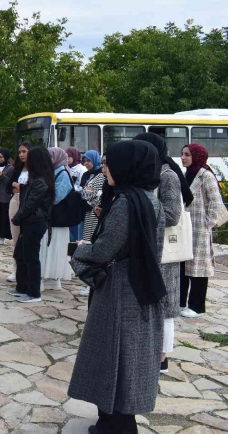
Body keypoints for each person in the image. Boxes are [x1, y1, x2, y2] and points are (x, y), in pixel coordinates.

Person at [68, 140, 166, 434]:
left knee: (115, 360)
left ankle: (116, 427)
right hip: (141, 288)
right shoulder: (148, 198)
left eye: (112, 162)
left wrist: (79, 251)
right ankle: (111, 422)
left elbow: (104, 250)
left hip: (120, 292)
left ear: (129, 167)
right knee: (127, 362)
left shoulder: (126, 202)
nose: (106, 167)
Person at [134, 132, 193, 372]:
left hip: (164, 252)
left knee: (165, 306)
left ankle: (162, 358)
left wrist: (140, 208)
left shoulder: (167, 175)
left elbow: (171, 215)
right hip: (149, 247)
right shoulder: (147, 174)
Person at [181, 143, 224, 319]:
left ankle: (196, 306)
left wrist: (208, 224)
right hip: (186, 227)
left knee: (199, 269)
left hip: (200, 229)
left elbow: (216, 202)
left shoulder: (205, 175)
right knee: (183, 266)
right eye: (182, 154)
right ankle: (181, 302)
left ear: (197, 156)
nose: (183, 157)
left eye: (187, 155)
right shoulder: (187, 174)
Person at [9, 146, 54, 303]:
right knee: (20, 254)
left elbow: (31, 204)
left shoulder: (41, 181)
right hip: (29, 221)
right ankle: (22, 288)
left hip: (35, 222)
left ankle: (34, 293)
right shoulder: (35, 179)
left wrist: (17, 218)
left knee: (31, 257)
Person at [40, 147, 74, 291]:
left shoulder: (63, 173)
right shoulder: (52, 172)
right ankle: (51, 279)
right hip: (51, 219)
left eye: (51, 157)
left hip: (57, 220)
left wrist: (40, 196)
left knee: (53, 248)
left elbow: (57, 196)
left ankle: (48, 279)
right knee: (48, 248)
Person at [6, 142, 33, 283]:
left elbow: (33, 189)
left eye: (24, 151)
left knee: (28, 238)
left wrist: (20, 187)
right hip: (15, 201)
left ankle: (28, 270)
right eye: (19, 152)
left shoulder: (35, 170)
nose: (21, 154)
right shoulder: (17, 169)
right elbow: (10, 185)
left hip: (29, 204)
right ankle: (16, 269)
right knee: (16, 237)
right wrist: (18, 187)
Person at [81, 150, 105, 242]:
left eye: (89, 161)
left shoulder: (101, 176)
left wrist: (86, 191)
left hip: (94, 213)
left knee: (92, 240)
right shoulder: (88, 175)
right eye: (84, 161)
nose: (86, 163)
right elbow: (86, 193)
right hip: (88, 212)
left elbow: (89, 195)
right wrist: (86, 191)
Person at [66, 147, 87, 241]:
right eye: (66, 156)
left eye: (69, 156)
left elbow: (83, 185)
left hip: (77, 201)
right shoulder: (66, 168)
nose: (67, 159)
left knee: (75, 229)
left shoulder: (81, 169)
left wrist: (73, 188)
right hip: (68, 201)